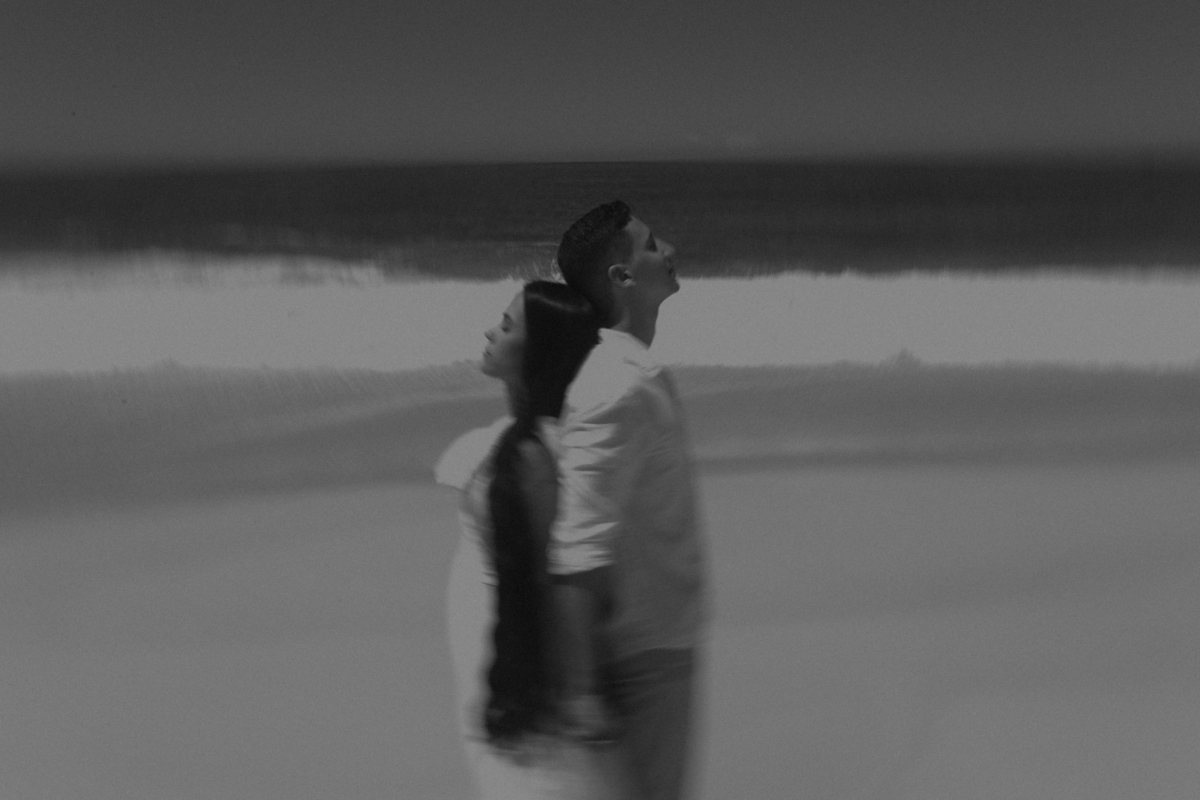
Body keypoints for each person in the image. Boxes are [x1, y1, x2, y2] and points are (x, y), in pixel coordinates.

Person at [435, 280, 630, 799]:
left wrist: (578, 692)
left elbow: (560, 578)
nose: (490, 333)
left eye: (506, 327)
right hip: (493, 649)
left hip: (521, 667)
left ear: (537, 352)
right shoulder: (524, 443)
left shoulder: (538, 454)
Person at [551, 201, 709, 800]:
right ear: (621, 276)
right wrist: (581, 693)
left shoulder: (632, 372)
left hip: (657, 649)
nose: (668, 251)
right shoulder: (616, 386)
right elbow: (576, 551)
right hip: (643, 659)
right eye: (651, 244)